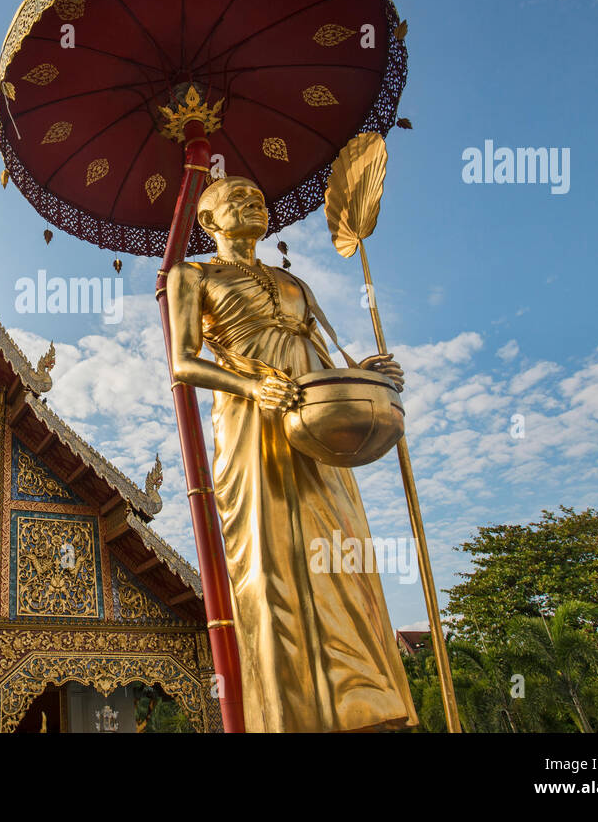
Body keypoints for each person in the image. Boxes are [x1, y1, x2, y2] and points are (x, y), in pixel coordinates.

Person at [166, 175, 418, 732]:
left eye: (258, 196)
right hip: (252, 410)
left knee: (340, 543)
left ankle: (363, 701)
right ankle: (288, 712)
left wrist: (362, 374)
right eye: (237, 199)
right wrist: (253, 388)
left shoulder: (291, 280)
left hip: (318, 411)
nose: (253, 203)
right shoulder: (193, 274)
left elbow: (320, 350)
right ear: (208, 221)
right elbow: (182, 363)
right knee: (271, 548)